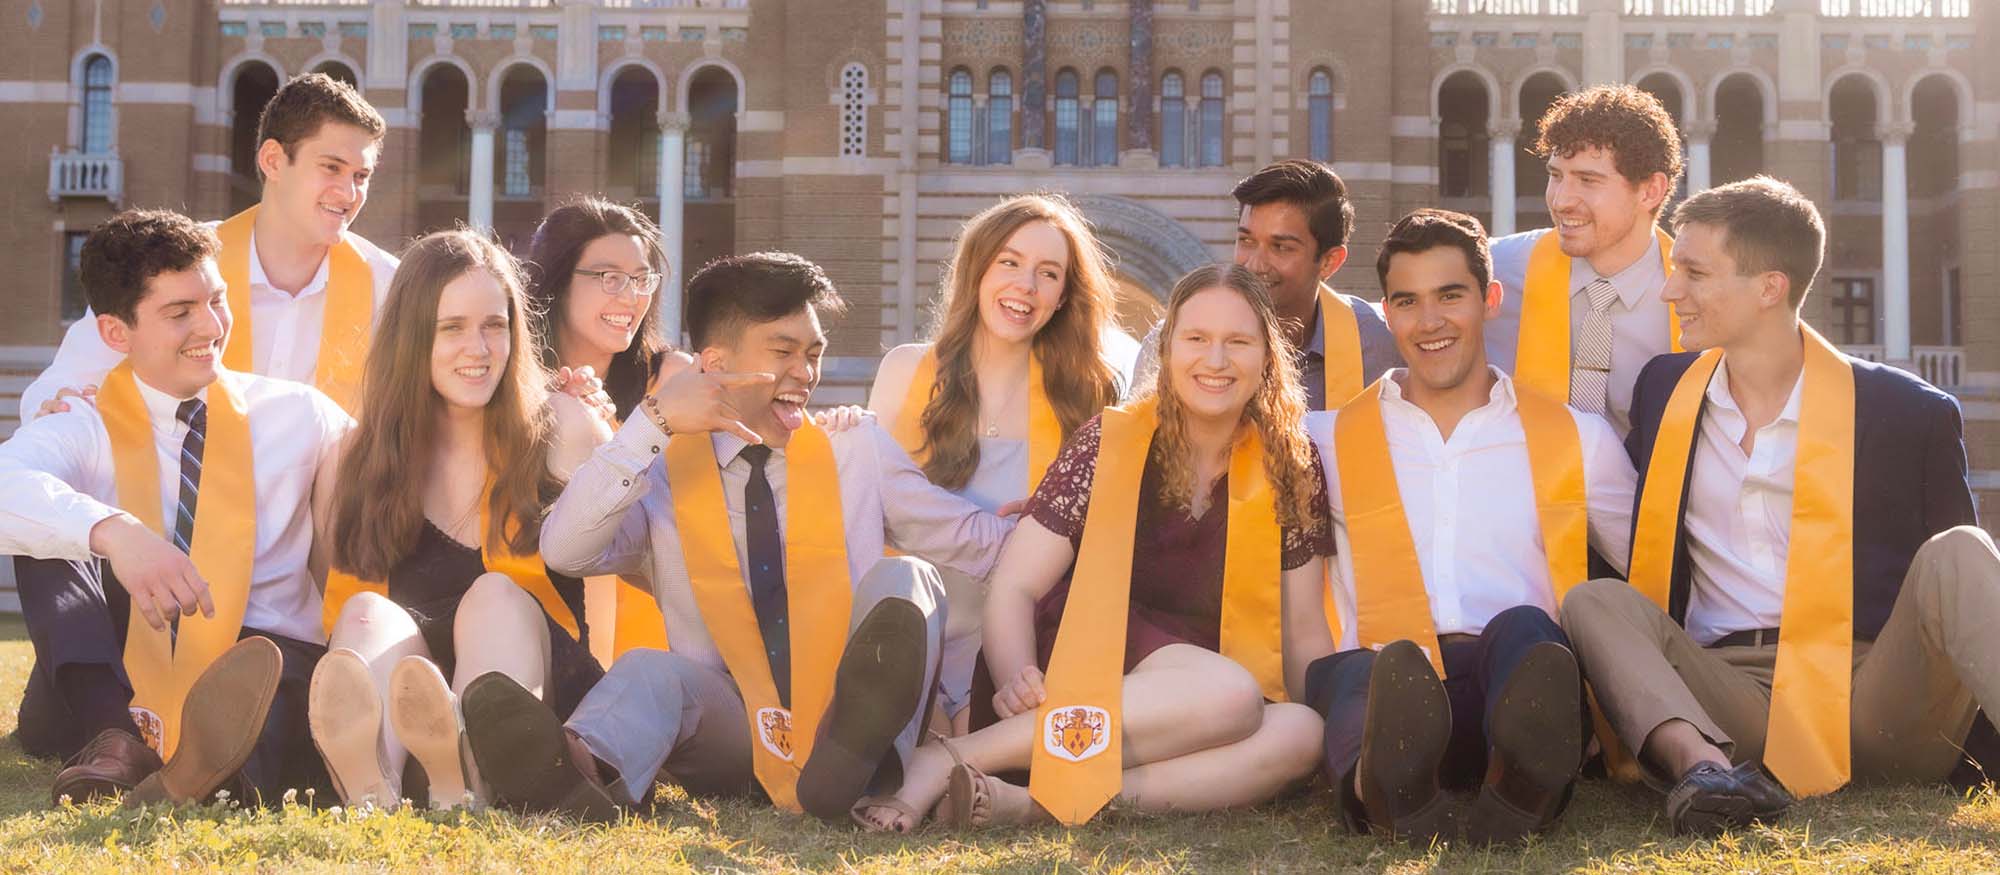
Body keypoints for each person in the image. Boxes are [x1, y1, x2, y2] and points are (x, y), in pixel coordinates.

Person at [457, 252, 1017, 823]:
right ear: (715, 364)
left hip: (857, 717)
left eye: (813, 354)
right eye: (783, 352)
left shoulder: (855, 448)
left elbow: (978, 544)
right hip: (735, 730)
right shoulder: (663, 473)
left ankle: (850, 756)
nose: (806, 372)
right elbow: (564, 549)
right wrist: (650, 423)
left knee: (910, 580)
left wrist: (1053, 522)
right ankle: (576, 776)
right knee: (652, 670)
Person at [1559, 177, 2000, 836]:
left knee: (1963, 551)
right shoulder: (1663, 393)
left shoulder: (1908, 411)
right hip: (1733, 700)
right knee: (1593, 599)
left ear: (1770, 287)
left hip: (1874, 693)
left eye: (1695, 272)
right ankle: (1705, 776)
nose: (1670, 289)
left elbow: (1957, 603)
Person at [856, 264, 1334, 832]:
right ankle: (956, 756)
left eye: (1238, 342)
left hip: (1194, 701)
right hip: (1086, 653)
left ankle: (1035, 804)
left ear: (1267, 356)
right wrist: (1017, 675)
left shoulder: (1292, 465)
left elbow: (1303, 627)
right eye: (1197, 339)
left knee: (1302, 731)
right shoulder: (1112, 439)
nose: (1216, 360)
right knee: (1232, 695)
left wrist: (1334, 745)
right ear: (1168, 347)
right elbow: (1016, 584)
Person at [1301, 209, 1637, 845]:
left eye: (1450, 296)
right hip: (1389, 699)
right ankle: (1383, 794)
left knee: (1529, 632)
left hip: (1510, 692)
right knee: (1366, 671)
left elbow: (1650, 578)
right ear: (1387, 312)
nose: (1429, 322)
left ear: (1490, 300)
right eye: (1408, 301)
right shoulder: (1325, 441)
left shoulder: (1577, 439)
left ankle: (1522, 787)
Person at [0, 210, 352, 805]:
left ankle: (206, 772)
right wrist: (117, 533)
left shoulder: (300, 415)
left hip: (256, 654)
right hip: (121, 662)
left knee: (265, 678)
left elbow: (395, 473)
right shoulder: (86, 422)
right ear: (116, 333)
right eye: (179, 312)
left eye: (216, 300)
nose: (211, 326)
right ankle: (114, 735)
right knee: (54, 534)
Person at [304, 230, 607, 809]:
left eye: (495, 325)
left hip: (528, 693)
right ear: (411, 338)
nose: (480, 348)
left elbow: (622, 568)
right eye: (452, 328)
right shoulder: (351, 459)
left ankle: (475, 772)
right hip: (405, 698)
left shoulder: (564, 430)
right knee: (366, 613)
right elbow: (328, 585)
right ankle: (377, 788)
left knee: (495, 595)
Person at [866, 193, 1124, 733]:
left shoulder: (1087, 397)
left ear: (1063, 297)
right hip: (912, 625)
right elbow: (872, 509)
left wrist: (1065, 521)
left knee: (973, 739)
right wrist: (1014, 539)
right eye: (1009, 262)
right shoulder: (906, 371)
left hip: (1017, 640)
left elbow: (1110, 545)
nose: (1025, 287)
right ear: (977, 271)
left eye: (1048, 273)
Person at [21, 72, 397, 421]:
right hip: (180, 491)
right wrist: (57, 408)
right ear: (273, 161)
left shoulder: (389, 286)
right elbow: (60, 384)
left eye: (361, 176)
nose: (349, 194)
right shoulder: (179, 260)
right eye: (331, 167)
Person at [524, 197, 696, 664]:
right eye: (609, 278)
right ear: (558, 281)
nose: (632, 297)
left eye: (642, 279)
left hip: (658, 637)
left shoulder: (674, 381)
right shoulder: (514, 385)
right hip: (537, 622)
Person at [1484, 84, 1683, 437]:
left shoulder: (1695, 298)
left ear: (1651, 191)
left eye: (1588, 181)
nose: (1560, 201)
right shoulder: (1497, 269)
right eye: (1555, 176)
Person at [1132, 160, 1400, 409]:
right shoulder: (1168, 343)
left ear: (1330, 262)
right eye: (1246, 241)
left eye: (1281, 247)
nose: (1255, 264)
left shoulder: (1381, 345)